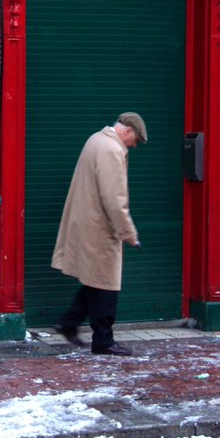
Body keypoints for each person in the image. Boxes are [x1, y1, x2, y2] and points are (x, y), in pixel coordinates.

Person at [50, 111, 147, 356]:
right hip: (100, 227)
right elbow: (114, 199)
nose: (134, 146)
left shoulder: (95, 139)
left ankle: (69, 322)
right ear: (127, 131)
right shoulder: (112, 150)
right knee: (106, 284)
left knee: (94, 280)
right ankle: (103, 340)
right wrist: (129, 233)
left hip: (86, 221)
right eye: (135, 140)